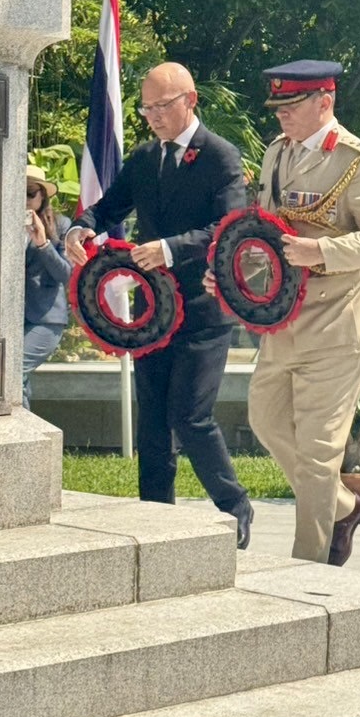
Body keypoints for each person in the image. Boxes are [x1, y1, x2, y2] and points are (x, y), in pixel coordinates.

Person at [64, 62, 253, 546]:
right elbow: (109, 207)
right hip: (153, 314)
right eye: (146, 108)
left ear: (190, 100)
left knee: (190, 416)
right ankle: (154, 520)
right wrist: (80, 227)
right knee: (152, 422)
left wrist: (169, 249)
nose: (152, 117)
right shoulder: (146, 157)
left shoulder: (221, 156)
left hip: (203, 311)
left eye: (161, 106)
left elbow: (229, 227)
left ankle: (234, 507)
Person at [239, 60, 360, 566]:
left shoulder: (358, 160)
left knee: (317, 452)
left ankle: (307, 568)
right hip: (286, 316)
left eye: (291, 106)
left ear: (324, 102)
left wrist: (324, 251)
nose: (282, 115)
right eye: (279, 107)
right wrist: (236, 270)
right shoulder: (276, 152)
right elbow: (270, 229)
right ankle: (344, 507)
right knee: (265, 419)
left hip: (339, 321)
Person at [22, 165, 72, 410]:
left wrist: (43, 243)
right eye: (17, 191)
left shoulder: (60, 225)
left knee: (11, 371)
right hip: (9, 318)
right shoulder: (0, 220)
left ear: (42, 196)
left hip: (46, 318)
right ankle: (23, 428)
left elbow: (66, 273)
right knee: (16, 382)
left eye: (30, 193)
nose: (24, 200)